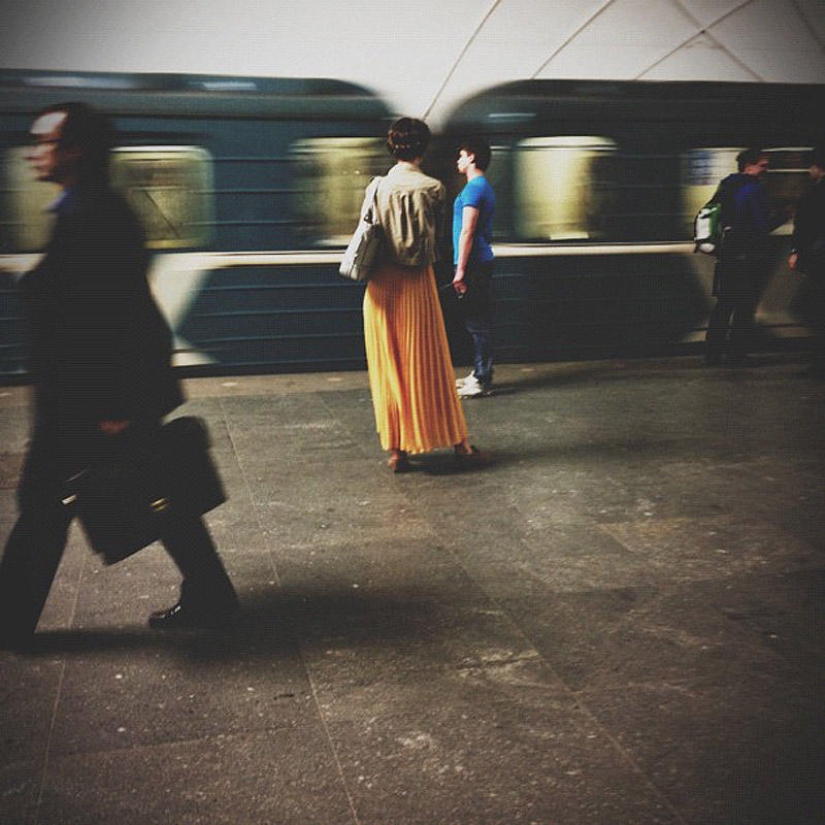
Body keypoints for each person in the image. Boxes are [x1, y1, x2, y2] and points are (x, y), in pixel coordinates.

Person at [0, 102, 238, 650]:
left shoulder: (95, 214)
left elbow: (112, 316)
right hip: (97, 395)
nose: (34, 152)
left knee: (44, 503)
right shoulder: (86, 208)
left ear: (75, 150)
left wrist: (115, 405)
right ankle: (212, 595)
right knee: (157, 487)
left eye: (44, 141)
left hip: (92, 399)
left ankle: (9, 623)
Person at [362, 117, 487, 473]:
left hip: (379, 288)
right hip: (416, 284)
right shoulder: (433, 188)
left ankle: (398, 450)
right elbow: (433, 243)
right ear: (423, 148)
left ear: (392, 147)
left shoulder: (376, 187)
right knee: (430, 365)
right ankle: (460, 444)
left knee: (390, 368)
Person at [705, 148, 787, 366]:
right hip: (747, 255)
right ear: (749, 165)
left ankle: (712, 354)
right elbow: (761, 225)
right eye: (763, 165)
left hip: (727, 253)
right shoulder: (754, 188)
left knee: (724, 305)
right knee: (744, 306)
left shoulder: (726, 185)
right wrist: (783, 216)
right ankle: (736, 354)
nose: (766, 169)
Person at [452, 137, 496, 398]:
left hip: (473, 263)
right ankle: (480, 372)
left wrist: (460, 270)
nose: (458, 160)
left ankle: (482, 378)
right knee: (477, 321)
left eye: (461, 155)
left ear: (471, 157)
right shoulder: (482, 187)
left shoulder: (474, 189)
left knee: (477, 322)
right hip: (478, 261)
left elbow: (467, 231)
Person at [788, 146, 825, 377]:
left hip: (819, 259)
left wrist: (797, 252)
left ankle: (820, 363)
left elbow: (803, 227)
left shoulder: (814, 192)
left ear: (817, 167)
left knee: (816, 309)